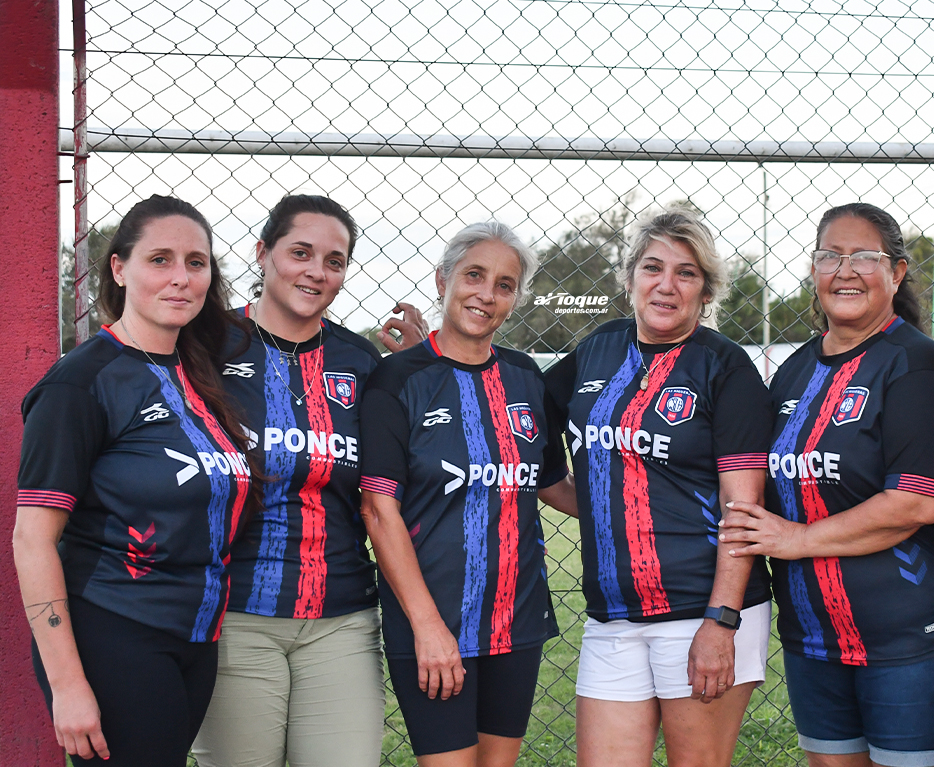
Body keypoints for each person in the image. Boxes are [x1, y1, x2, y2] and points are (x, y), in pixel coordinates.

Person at [721, 202, 934, 767]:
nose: (845, 270)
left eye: (864, 256)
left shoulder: (916, 366)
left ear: (898, 272)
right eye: (830, 256)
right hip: (814, 639)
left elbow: (917, 503)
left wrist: (798, 540)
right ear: (814, 271)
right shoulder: (793, 372)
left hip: (907, 639)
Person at [13, 195, 260, 766]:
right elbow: (32, 540)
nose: (181, 278)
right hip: (115, 633)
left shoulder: (198, 375)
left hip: (195, 639)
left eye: (196, 263)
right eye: (160, 260)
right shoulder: (81, 383)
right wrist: (69, 687)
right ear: (120, 269)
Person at [192, 195, 423, 767]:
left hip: (341, 616)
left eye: (335, 260)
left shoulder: (360, 360)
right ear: (262, 253)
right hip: (236, 612)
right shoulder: (204, 347)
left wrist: (424, 370)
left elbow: (398, 474)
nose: (317, 272)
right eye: (300, 252)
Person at [543, 206, 774, 767]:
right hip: (613, 616)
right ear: (629, 281)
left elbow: (742, 509)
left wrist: (722, 621)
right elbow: (516, 412)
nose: (666, 285)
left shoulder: (724, 367)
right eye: (652, 267)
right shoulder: (598, 348)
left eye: (686, 273)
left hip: (703, 611)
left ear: (705, 291)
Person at [358, 221, 576, 767]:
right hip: (433, 621)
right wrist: (429, 629)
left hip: (516, 618)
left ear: (515, 299)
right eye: (474, 275)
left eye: (505, 284)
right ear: (443, 281)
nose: (487, 293)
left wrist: (639, 503)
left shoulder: (527, 378)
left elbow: (551, 483)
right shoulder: (398, 379)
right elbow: (378, 511)